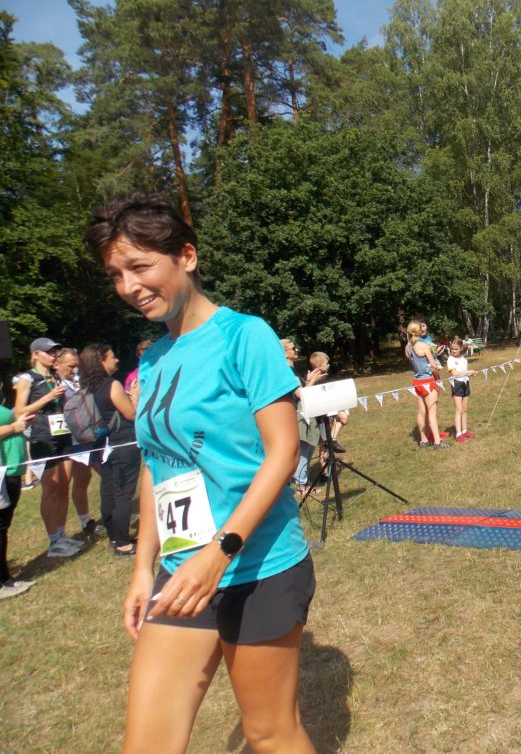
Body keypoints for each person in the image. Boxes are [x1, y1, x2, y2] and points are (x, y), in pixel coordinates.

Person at [85, 192, 316, 754]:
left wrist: (220, 552)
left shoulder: (245, 336)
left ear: (186, 255)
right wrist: (143, 570)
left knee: (270, 734)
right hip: (181, 573)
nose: (129, 286)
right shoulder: (153, 359)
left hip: (257, 566)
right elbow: (158, 464)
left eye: (139, 266)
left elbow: (284, 452)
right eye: (116, 275)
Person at [13, 337, 81, 558]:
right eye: (48, 352)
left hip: (62, 433)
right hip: (43, 436)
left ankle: (61, 534)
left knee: (64, 485)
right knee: (51, 489)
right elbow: (19, 411)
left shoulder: (54, 375)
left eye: (54, 352)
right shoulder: (27, 378)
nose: (52, 356)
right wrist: (48, 397)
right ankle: (53, 541)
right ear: (35, 354)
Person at [78, 344, 140, 557]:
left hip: (102, 445)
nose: (116, 360)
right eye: (112, 357)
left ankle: (114, 535)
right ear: (101, 361)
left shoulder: (87, 387)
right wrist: (134, 396)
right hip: (123, 443)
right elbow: (131, 414)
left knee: (108, 491)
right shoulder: (112, 385)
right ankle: (122, 543)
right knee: (123, 493)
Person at [54, 347, 105, 538]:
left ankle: (96, 517)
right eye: (70, 366)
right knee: (75, 481)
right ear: (57, 365)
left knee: (92, 477)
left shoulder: (79, 381)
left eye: (77, 365)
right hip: (69, 442)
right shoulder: (55, 385)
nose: (74, 369)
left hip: (88, 437)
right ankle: (78, 524)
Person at [1, 391, 36, 599]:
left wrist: (19, 424)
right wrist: (15, 427)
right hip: (3, 473)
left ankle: (5, 577)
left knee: (3, 526)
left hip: (10, 471)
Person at [281, 338, 325, 493]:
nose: (297, 350)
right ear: (284, 353)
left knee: (309, 446)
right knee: (304, 448)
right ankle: (301, 486)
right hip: (297, 413)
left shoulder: (291, 370)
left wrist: (308, 381)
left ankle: (303, 482)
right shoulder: (286, 370)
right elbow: (300, 394)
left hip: (302, 411)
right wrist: (312, 381)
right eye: (293, 348)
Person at [406, 321, 450, 450]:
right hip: (428, 381)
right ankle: (437, 442)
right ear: (419, 331)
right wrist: (437, 377)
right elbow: (433, 366)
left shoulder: (407, 347)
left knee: (421, 413)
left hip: (417, 381)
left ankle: (423, 441)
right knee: (432, 413)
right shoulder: (423, 345)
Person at [445, 338, 479, 442]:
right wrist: (467, 372)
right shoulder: (451, 359)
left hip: (465, 383)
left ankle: (464, 430)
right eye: (452, 349)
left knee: (465, 409)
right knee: (459, 410)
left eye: (456, 349)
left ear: (461, 349)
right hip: (457, 385)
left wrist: (470, 373)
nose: (453, 351)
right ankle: (458, 434)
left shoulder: (464, 359)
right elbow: (454, 373)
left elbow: (464, 372)